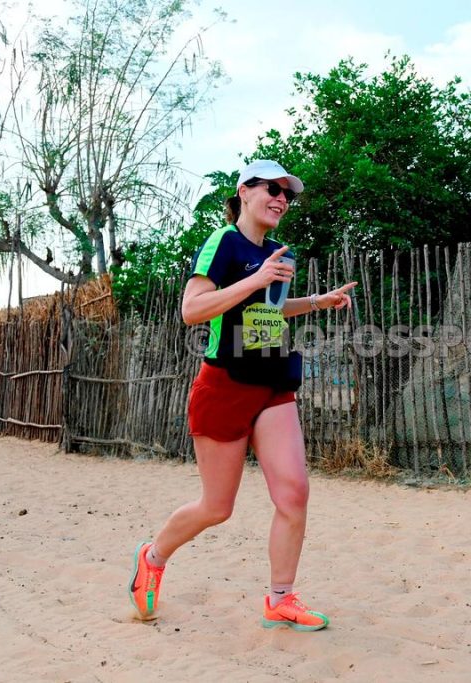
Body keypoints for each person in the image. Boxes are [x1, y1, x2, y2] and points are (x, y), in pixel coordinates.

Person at [128, 159, 356, 631]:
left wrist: (317, 301)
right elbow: (192, 310)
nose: (281, 199)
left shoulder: (279, 252)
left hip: (272, 384)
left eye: (287, 194)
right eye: (272, 189)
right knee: (217, 507)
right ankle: (153, 556)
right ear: (245, 191)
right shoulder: (223, 243)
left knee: (294, 492)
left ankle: (280, 598)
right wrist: (254, 279)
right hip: (225, 385)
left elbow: (267, 313)